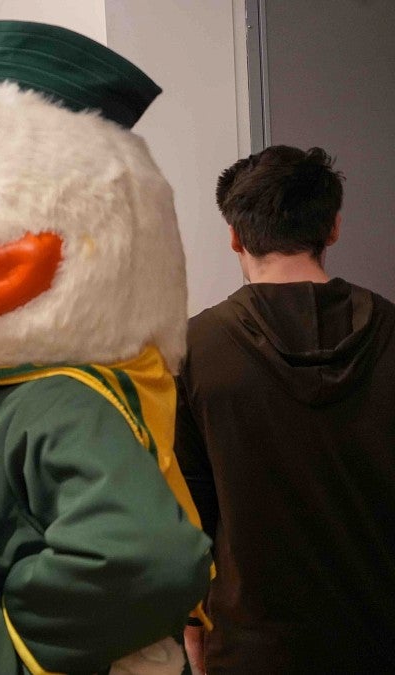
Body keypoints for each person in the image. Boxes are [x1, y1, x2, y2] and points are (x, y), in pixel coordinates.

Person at [176, 145, 395, 673]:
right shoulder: (392, 332)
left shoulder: (194, 347)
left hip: (252, 649)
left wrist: (189, 622)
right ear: (333, 228)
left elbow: (187, 513)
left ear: (235, 235)